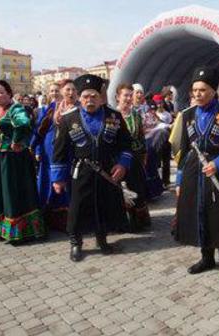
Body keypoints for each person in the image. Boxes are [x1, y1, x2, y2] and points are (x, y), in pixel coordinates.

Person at [175, 66, 219, 288]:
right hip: (194, 175)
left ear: (214, 91)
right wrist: (178, 180)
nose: (197, 94)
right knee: (199, 215)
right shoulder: (186, 115)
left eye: (203, 90)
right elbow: (183, 151)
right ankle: (206, 258)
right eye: (194, 90)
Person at [51, 74, 133, 262]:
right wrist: (58, 178)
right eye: (86, 96)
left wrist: (122, 164)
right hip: (81, 171)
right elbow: (59, 151)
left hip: (107, 171)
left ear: (101, 97)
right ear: (79, 97)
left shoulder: (114, 116)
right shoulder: (68, 119)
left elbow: (126, 144)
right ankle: (75, 242)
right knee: (77, 207)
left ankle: (101, 238)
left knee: (103, 204)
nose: (90, 100)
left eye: (94, 96)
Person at [0, 80, 44, 243]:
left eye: (1, 92)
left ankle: (18, 232)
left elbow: (24, 123)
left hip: (12, 159)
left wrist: (16, 140)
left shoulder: (16, 109)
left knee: (10, 192)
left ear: (9, 94)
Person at [31, 81, 73, 232]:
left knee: (65, 183)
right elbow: (39, 130)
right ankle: (47, 218)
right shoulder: (49, 109)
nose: (55, 93)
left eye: (57, 90)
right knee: (47, 182)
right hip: (48, 152)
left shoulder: (73, 107)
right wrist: (34, 148)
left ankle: (65, 220)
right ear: (48, 94)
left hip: (66, 152)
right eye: (52, 91)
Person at [117, 83, 151, 232]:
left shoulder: (136, 115)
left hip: (135, 159)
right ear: (118, 97)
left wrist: (144, 155)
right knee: (120, 191)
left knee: (136, 189)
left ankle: (138, 221)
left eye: (131, 95)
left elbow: (142, 137)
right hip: (117, 161)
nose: (129, 98)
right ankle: (121, 222)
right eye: (126, 95)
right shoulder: (112, 115)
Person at [142, 100, 167, 199]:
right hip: (141, 143)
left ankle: (153, 191)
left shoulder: (148, 112)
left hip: (149, 142)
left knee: (151, 166)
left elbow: (157, 122)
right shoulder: (135, 112)